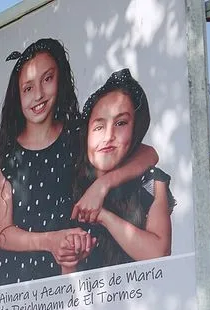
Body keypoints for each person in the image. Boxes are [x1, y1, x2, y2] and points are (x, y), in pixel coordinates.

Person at [0, 39, 159, 286]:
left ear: (61, 79)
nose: (38, 94)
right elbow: (3, 234)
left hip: (73, 275)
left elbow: (149, 154)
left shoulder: (77, 134)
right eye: (28, 88)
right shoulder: (9, 155)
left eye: (47, 79)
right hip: (17, 282)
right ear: (18, 95)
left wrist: (102, 186)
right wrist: (51, 241)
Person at [70, 69, 174, 270]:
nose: (108, 136)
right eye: (99, 126)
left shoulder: (151, 182)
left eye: (120, 123)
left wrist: (103, 214)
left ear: (136, 129)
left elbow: (158, 252)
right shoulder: (70, 177)